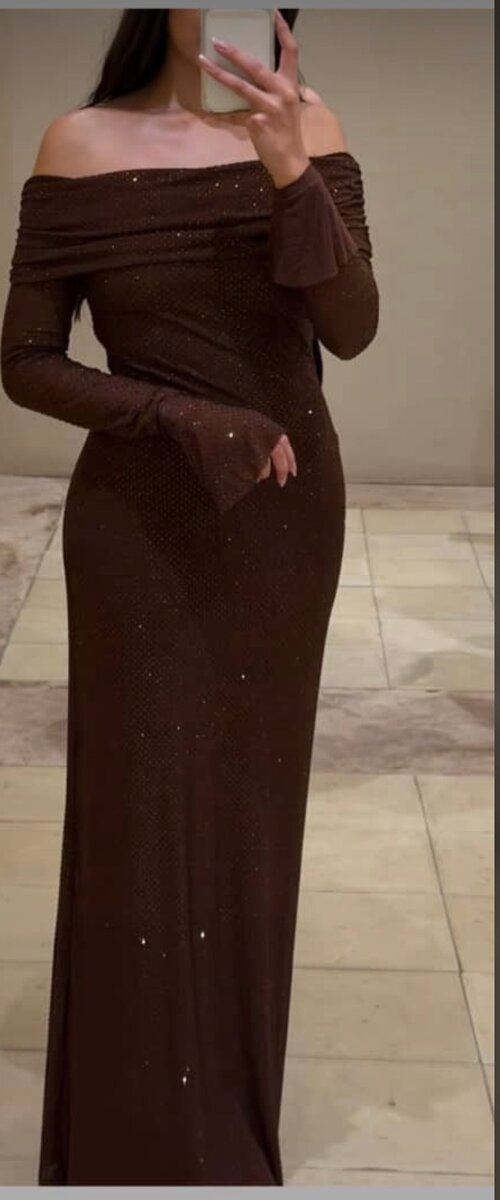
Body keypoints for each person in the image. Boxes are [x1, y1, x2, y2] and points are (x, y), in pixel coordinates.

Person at [0, 8, 379, 1186]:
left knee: (250, 817)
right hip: (139, 521)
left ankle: (224, 1115)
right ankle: (133, 1139)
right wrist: (182, 418)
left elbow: (351, 331)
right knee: (138, 807)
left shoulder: (310, 130)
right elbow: (25, 360)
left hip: (282, 520)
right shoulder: (78, 142)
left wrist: (289, 170)